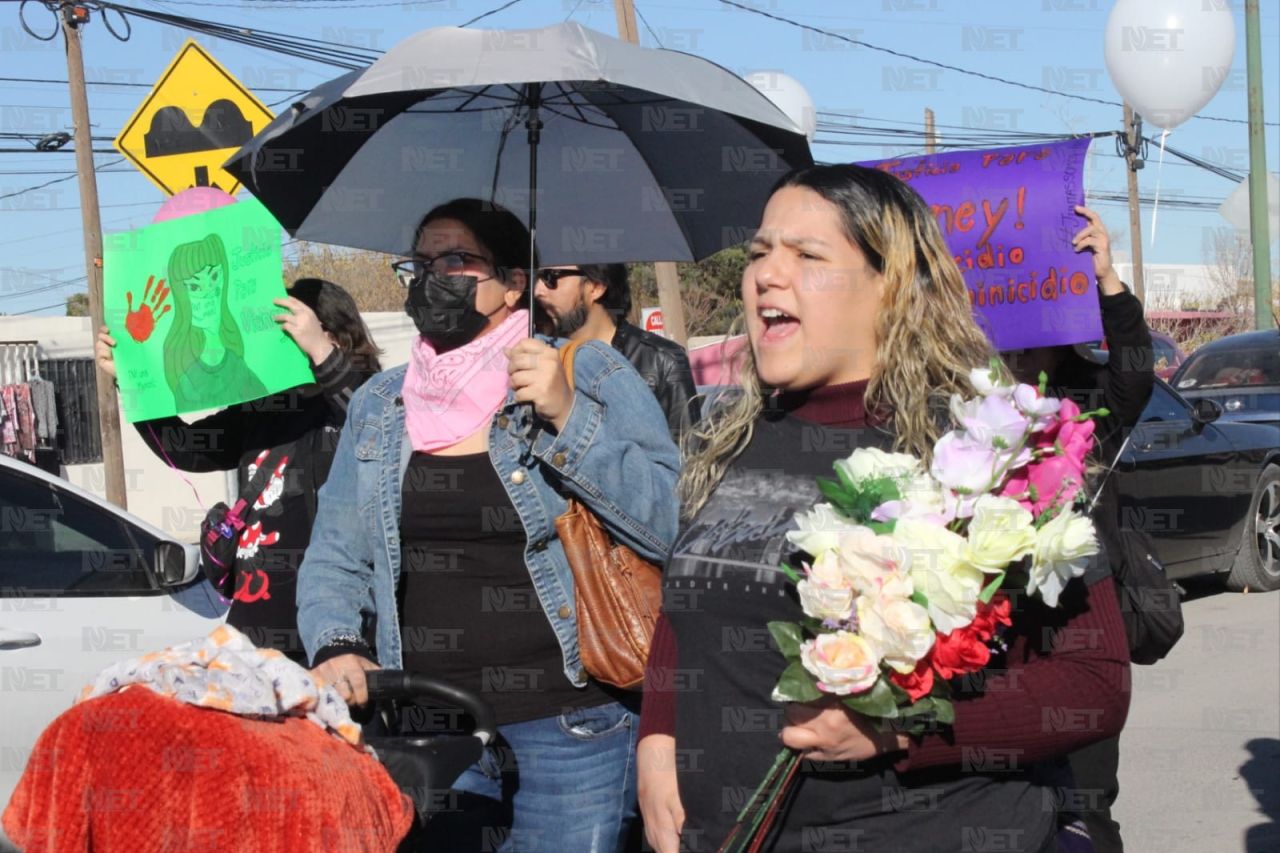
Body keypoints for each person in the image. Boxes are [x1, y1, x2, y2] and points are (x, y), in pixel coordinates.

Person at [636, 166, 1131, 853]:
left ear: (890, 286)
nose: (766, 275)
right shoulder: (729, 435)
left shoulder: (984, 451)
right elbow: (687, 604)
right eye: (759, 253)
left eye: (808, 256)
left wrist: (898, 730)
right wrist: (658, 736)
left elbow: (1093, 682)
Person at [296, 199, 680, 853]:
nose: (431, 276)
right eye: (420, 263)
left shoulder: (586, 371)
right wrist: (334, 643)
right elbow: (335, 550)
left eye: (456, 260)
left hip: (572, 724)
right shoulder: (379, 403)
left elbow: (668, 520)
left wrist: (568, 419)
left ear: (511, 283)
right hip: (428, 733)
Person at [95, 278, 381, 664]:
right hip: (256, 624)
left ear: (332, 333)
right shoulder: (265, 406)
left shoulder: (367, 396)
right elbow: (188, 449)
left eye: (294, 331)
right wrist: (131, 380)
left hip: (337, 624)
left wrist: (320, 352)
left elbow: (372, 425)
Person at [1004, 206, 1155, 853]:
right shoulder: (966, 403)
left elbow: (1135, 377)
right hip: (997, 642)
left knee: (1086, 810)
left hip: (1083, 636)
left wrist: (1108, 280)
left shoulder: (1086, 394)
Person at [536, 263, 700, 439]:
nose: (538, 290)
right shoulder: (540, 358)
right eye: (536, 277)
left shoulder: (661, 361)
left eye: (550, 277)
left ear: (596, 287)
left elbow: (687, 458)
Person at [162, 233, 268, 411]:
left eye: (214, 277)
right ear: (181, 297)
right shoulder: (187, 379)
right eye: (195, 286)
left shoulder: (237, 363)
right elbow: (176, 435)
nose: (209, 292)